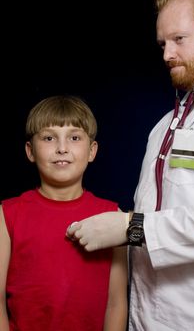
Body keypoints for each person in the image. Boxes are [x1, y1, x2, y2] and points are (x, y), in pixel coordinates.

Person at [66, 0, 194, 330]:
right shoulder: (164, 126)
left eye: (179, 40)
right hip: (145, 314)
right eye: (162, 43)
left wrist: (133, 227)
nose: (166, 54)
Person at [0, 95, 128, 331]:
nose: (62, 148)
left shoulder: (113, 216)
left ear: (92, 150)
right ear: (30, 151)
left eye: (75, 138)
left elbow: (116, 303)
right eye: (49, 138)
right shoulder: (7, 214)